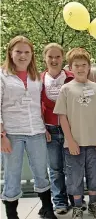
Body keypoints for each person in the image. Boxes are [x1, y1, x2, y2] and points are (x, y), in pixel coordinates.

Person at [1, 36, 57, 219]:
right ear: (10, 53)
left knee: (42, 171)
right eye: (18, 51)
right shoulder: (2, 76)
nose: (22, 55)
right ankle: (11, 214)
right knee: (12, 174)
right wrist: (2, 135)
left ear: (32, 55)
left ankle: (47, 208)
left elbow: (38, 104)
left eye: (26, 52)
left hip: (36, 132)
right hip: (12, 133)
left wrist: (44, 128)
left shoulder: (36, 77)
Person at [54, 48, 96, 219]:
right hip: (74, 143)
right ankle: (78, 206)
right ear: (70, 67)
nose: (80, 68)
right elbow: (62, 117)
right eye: (76, 65)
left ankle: (93, 203)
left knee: (95, 174)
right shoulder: (66, 89)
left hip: (94, 142)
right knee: (74, 175)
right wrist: (70, 141)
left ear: (89, 67)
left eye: (84, 65)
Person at [41, 43, 77, 214]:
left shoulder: (72, 77)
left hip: (70, 130)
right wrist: (43, 129)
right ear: (45, 58)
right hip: (50, 130)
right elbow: (36, 106)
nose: (54, 60)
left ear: (63, 58)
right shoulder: (39, 80)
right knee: (55, 169)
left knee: (73, 167)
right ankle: (60, 202)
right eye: (50, 57)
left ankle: (76, 199)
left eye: (57, 57)